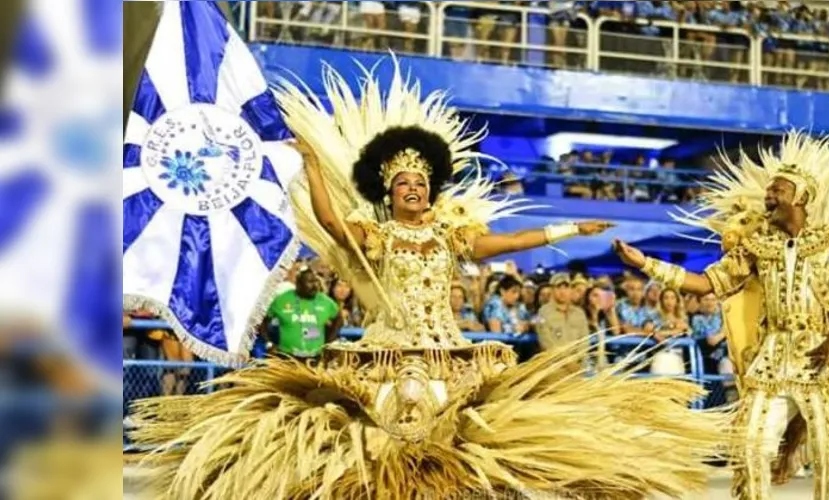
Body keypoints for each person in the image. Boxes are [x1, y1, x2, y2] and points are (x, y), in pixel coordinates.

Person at [131, 62, 730, 499]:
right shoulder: (377, 234)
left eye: (420, 183)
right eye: (402, 186)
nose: (413, 189)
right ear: (388, 195)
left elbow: (511, 243)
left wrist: (570, 227)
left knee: (459, 448)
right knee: (382, 446)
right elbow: (336, 228)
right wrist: (313, 167)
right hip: (385, 355)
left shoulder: (450, 232)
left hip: (451, 352)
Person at [614, 132, 829, 499]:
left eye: (778, 190)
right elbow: (706, 284)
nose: (769, 196)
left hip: (820, 358)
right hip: (770, 362)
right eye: (769, 191)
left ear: (800, 197)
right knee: (750, 447)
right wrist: (646, 264)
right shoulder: (756, 248)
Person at [260, 265, 339, 360]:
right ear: (299, 283)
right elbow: (262, 320)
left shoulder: (326, 302)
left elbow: (339, 319)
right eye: (310, 282)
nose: (315, 286)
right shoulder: (282, 300)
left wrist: (329, 341)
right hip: (287, 357)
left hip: (315, 358)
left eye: (316, 281)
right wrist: (269, 342)